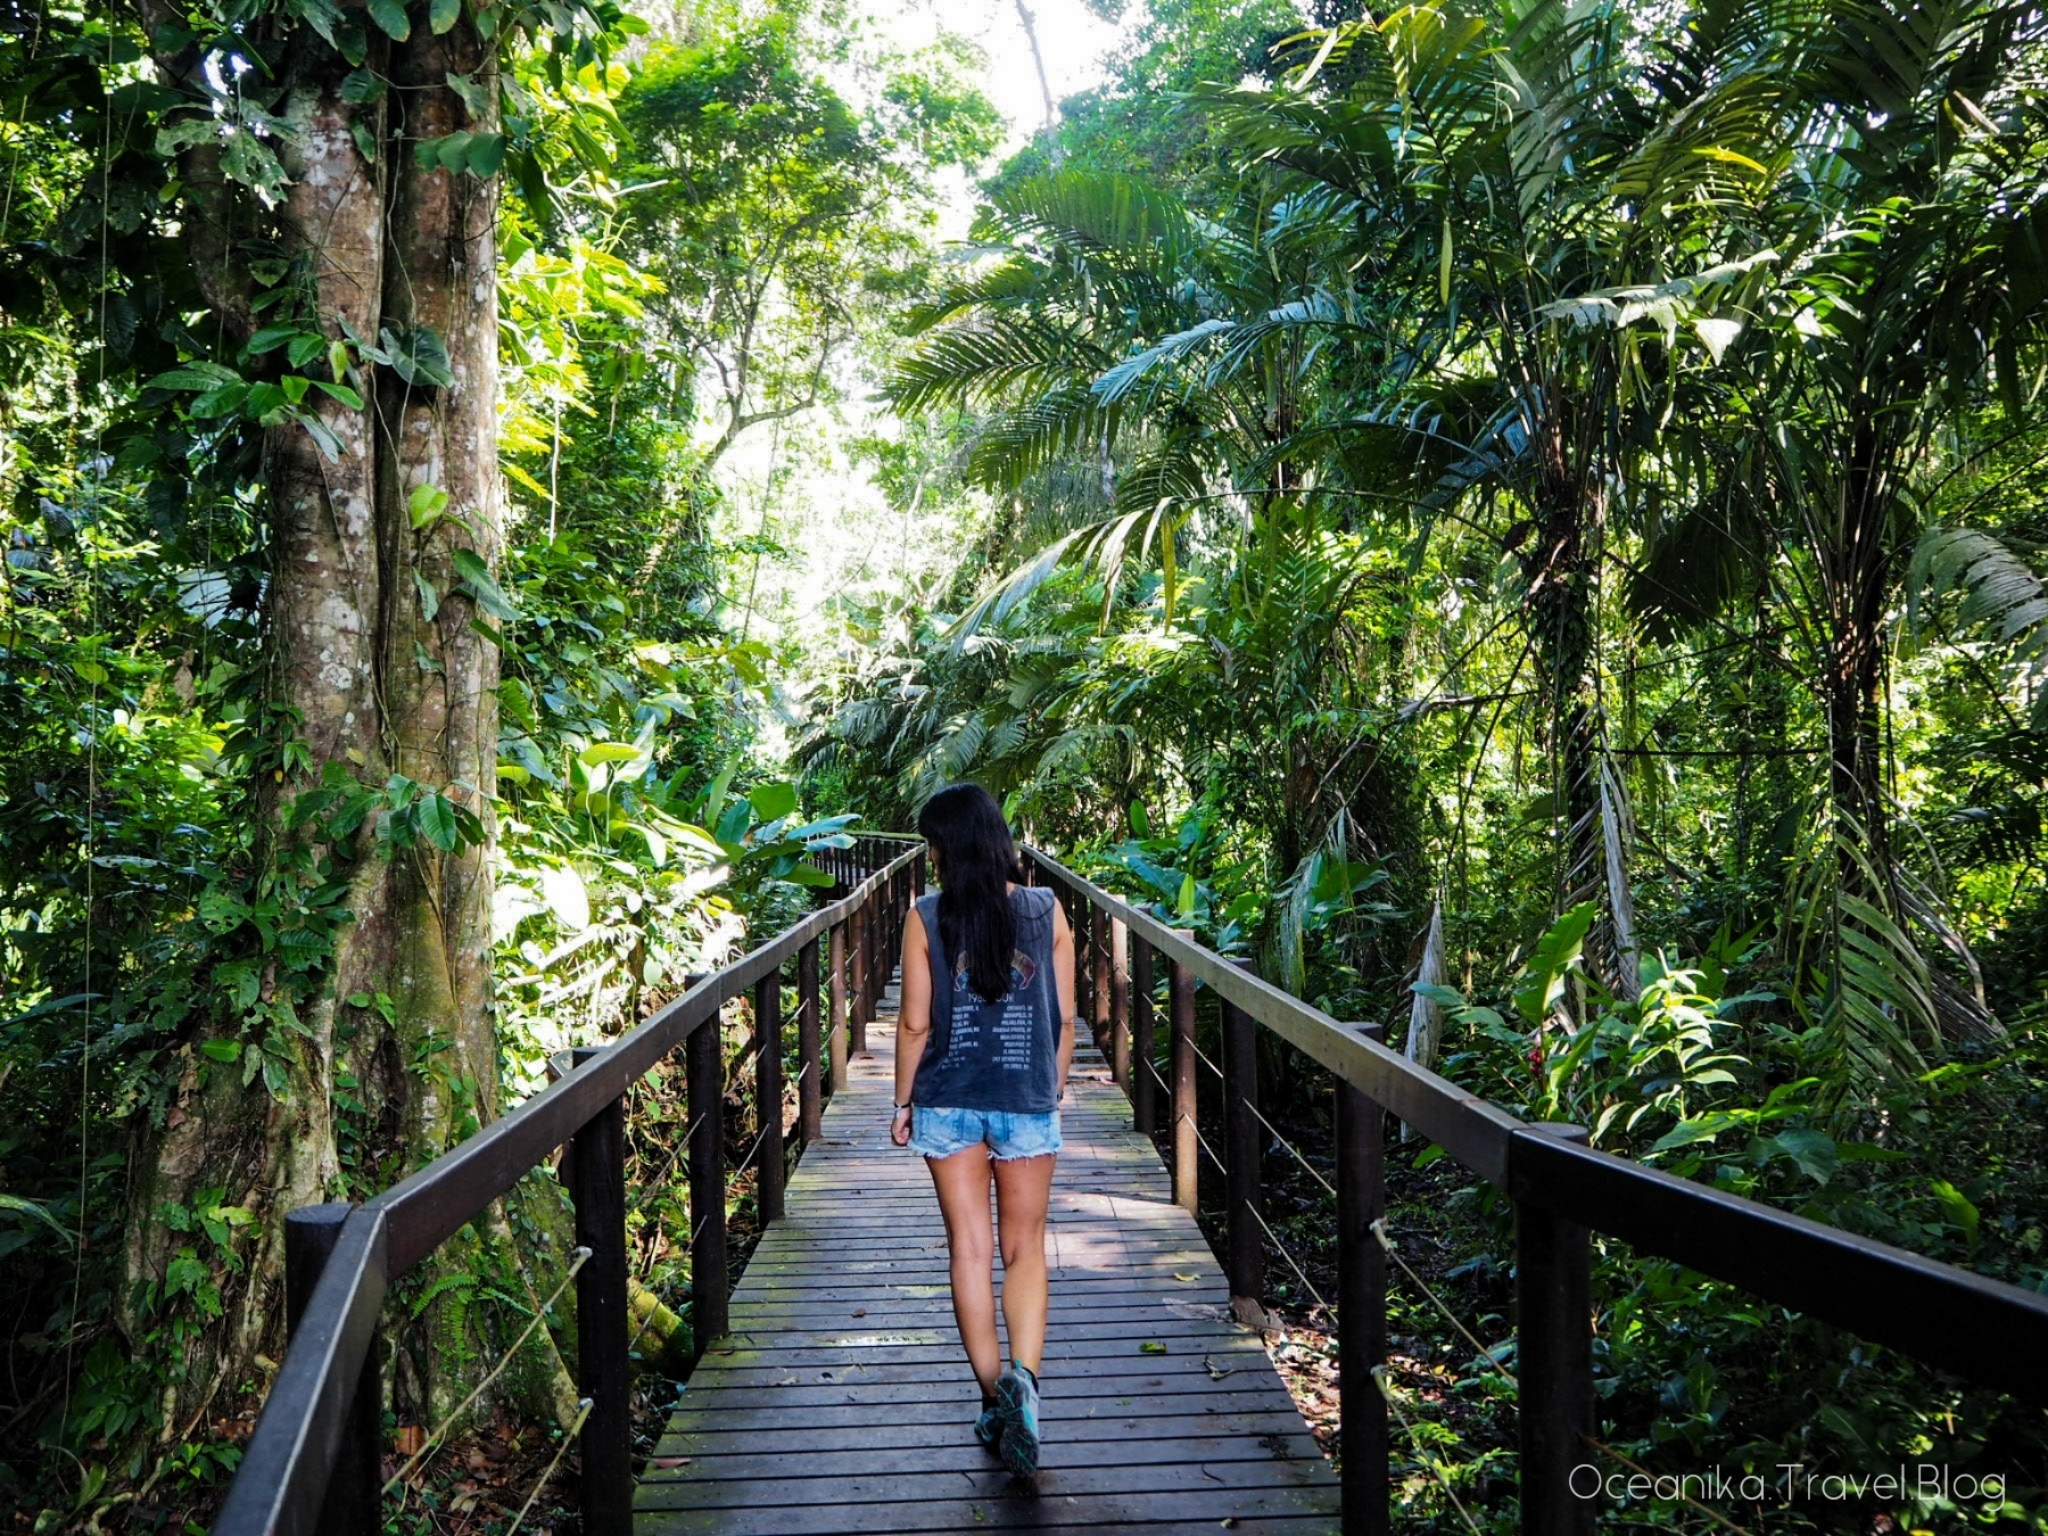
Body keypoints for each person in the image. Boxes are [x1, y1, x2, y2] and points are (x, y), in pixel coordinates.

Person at [891, 783, 1076, 1478]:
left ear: (946, 849)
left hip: (948, 1099)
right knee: (1024, 1249)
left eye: (932, 845)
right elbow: (1064, 1018)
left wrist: (902, 1102)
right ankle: (1024, 1380)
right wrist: (1052, 1087)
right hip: (1026, 1097)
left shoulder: (925, 916)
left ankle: (996, 1399)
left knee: (969, 1251)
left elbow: (914, 1024)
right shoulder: (1045, 909)